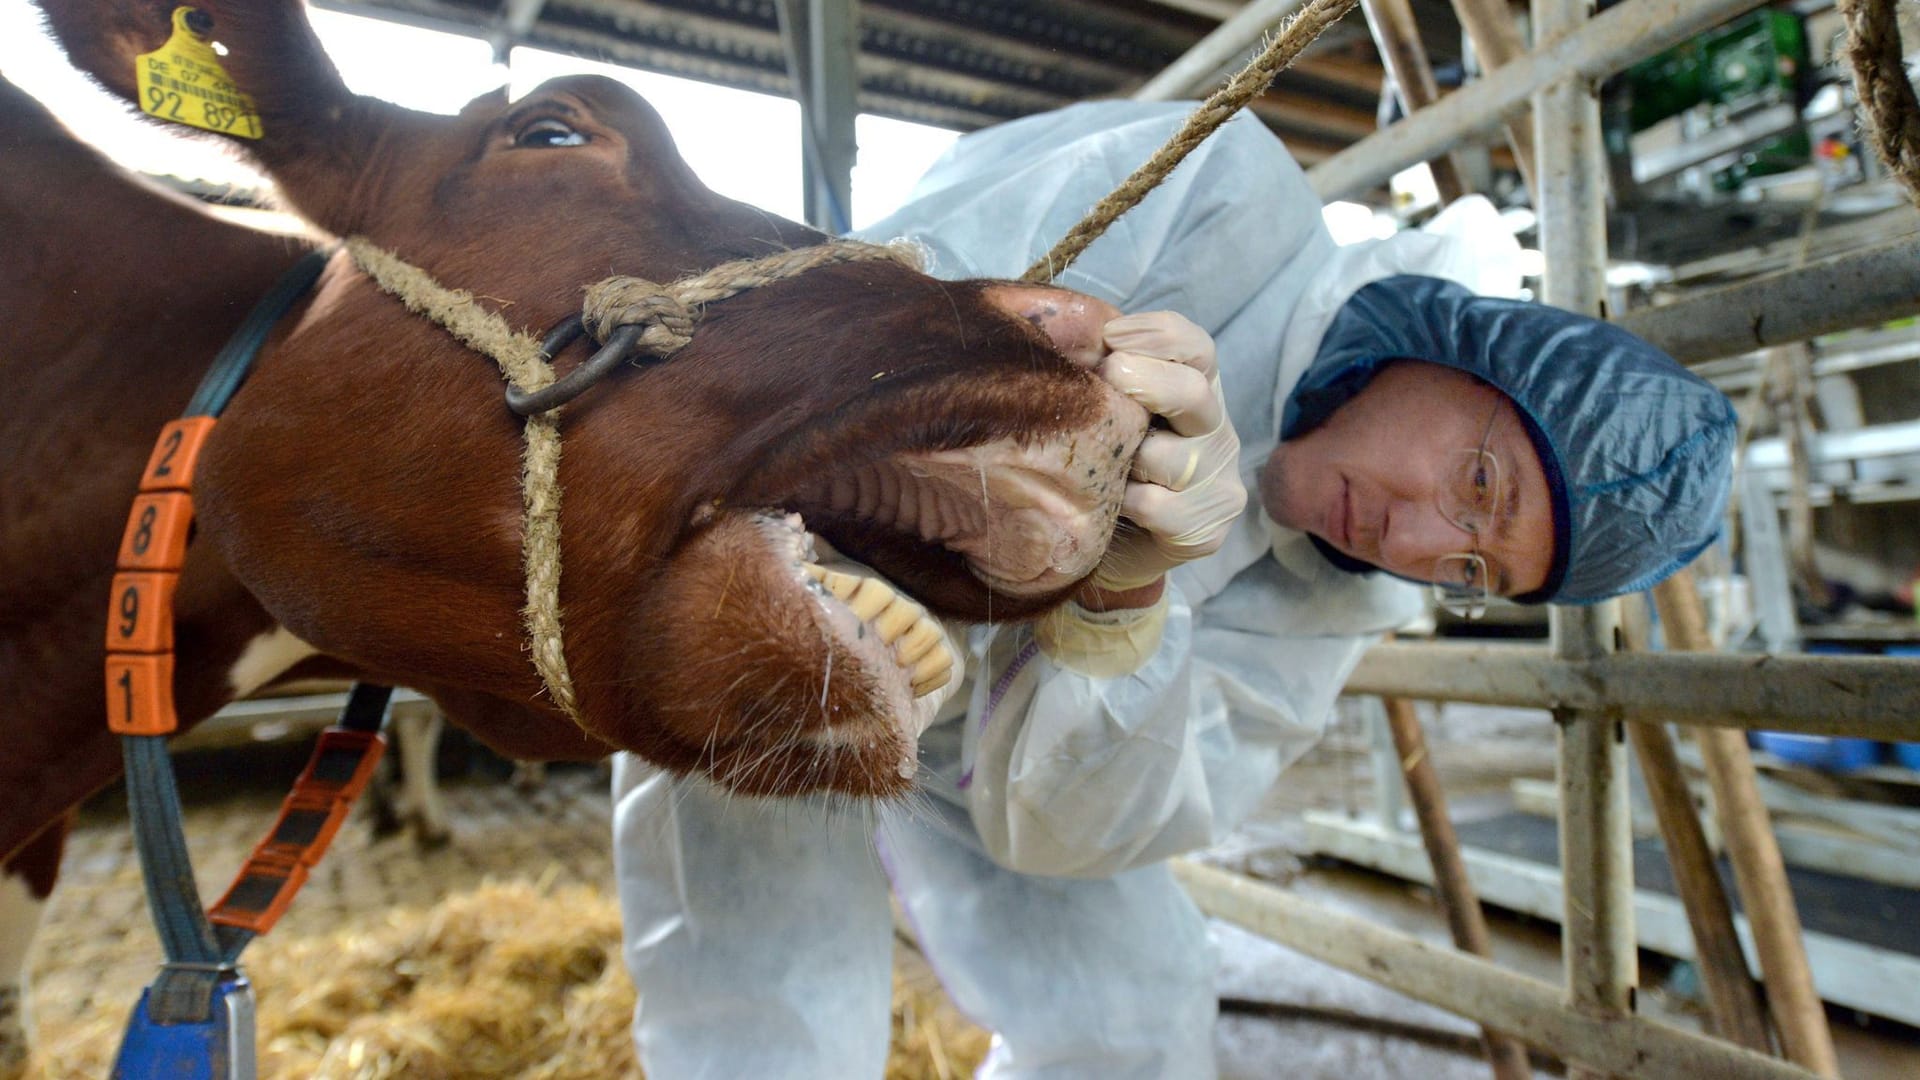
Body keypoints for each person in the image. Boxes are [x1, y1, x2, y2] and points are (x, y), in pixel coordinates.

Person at [611, 100, 1736, 1079]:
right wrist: (1064, 393)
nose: (1415, 538)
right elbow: (875, 302)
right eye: (1475, 481)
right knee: (780, 1006)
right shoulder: (1220, 195)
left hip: (992, 761)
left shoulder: (1327, 613)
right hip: (795, 569)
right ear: (1459, 350)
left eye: (1472, 569)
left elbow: (1078, 831)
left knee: (1139, 1014)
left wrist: (1123, 607)